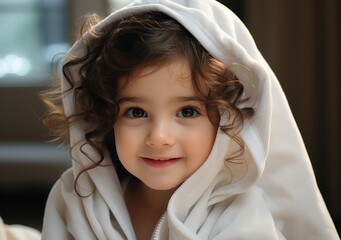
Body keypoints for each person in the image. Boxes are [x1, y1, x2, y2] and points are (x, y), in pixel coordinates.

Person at [40, 0, 339, 239]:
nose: (159, 137)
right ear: (105, 116)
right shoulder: (75, 197)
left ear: (226, 120)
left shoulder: (241, 214)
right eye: (136, 112)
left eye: (187, 111)